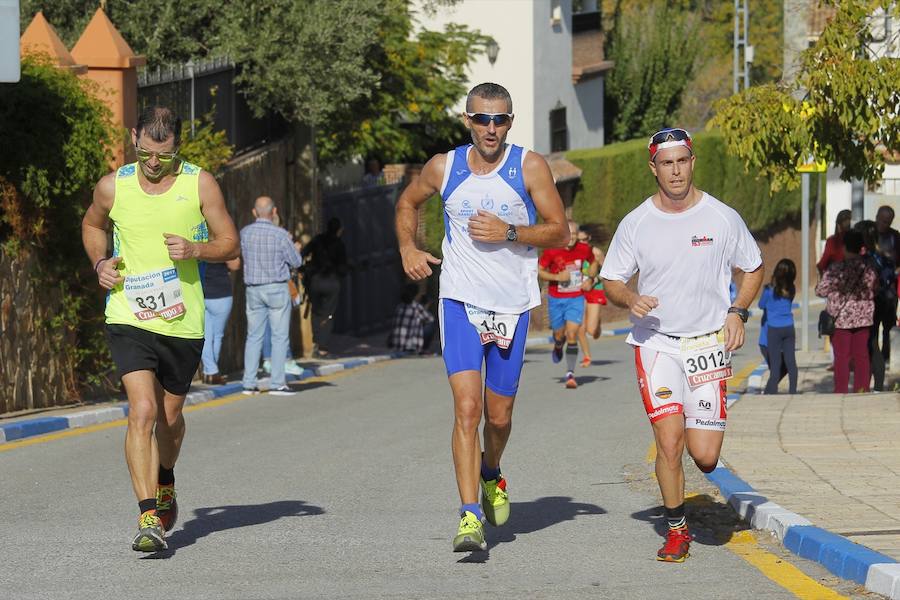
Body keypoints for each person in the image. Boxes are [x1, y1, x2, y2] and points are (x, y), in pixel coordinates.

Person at [394, 82, 568, 552]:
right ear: (467, 121)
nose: (492, 129)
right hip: (459, 301)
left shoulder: (528, 166)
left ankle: (492, 471)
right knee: (466, 410)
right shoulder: (444, 167)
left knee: (500, 415)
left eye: (501, 119)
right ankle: (469, 515)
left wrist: (510, 231)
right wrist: (409, 246)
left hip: (511, 305)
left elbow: (560, 231)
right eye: (483, 119)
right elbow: (408, 202)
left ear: (510, 122)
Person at [600, 127, 763, 563]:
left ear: (693, 161)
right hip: (657, 345)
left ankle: (692, 488)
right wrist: (631, 299)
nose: (675, 170)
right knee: (668, 442)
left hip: (707, 344)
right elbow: (611, 278)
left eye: (682, 160)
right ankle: (676, 529)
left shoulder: (722, 217)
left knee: (705, 457)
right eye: (666, 163)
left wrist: (737, 311)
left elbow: (753, 267)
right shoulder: (637, 222)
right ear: (653, 168)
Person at [81, 106, 240, 552]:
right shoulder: (114, 185)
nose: (153, 164)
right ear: (134, 139)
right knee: (143, 411)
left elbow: (229, 242)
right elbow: (92, 224)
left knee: (169, 419)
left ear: (178, 147)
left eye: (164, 156)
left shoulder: (199, 183)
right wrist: (100, 262)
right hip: (128, 315)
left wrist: (196, 248)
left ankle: (166, 479)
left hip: (182, 321)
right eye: (146, 153)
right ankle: (148, 515)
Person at [240, 196, 303, 395]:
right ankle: (277, 382)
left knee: (253, 336)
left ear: (254, 212)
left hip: (253, 289)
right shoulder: (280, 234)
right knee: (279, 336)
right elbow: (296, 261)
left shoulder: (245, 233)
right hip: (276, 287)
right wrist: (296, 249)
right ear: (274, 212)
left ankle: (249, 383)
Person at [538, 220, 599, 388]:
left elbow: (593, 262)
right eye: (568, 235)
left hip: (576, 297)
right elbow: (540, 271)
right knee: (559, 335)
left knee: (572, 334)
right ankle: (558, 344)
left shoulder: (584, 249)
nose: (571, 239)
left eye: (574, 235)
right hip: (556, 299)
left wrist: (591, 278)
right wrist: (558, 278)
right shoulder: (551, 250)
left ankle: (570, 374)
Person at [815, 230, 878, 393]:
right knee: (862, 356)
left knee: (842, 357)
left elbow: (820, 291)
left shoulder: (837, 268)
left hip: (840, 319)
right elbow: (875, 288)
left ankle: (841, 390)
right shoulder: (869, 268)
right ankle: (862, 389)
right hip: (863, 318)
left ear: (844, 247)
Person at [301, 217, 349, 358]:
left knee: (316, 312)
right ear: (339, 230)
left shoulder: (317, 240)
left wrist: (306, 268)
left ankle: (316, 342)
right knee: (328, 314)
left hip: (315, 281)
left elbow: (303, 254)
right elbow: (343, 266)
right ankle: (323, 348)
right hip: (331, 282)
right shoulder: (339, 244)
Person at [758, 259, 798, 394]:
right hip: (789, 328)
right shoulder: (792, 289)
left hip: (774, 330)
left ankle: (772, 396)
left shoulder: (769, 290)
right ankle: (793, 392)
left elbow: (761, 305)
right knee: (791, 363)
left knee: (775, 368)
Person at [200, 256, 241, 385]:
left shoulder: (196, 240)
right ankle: (212, 372)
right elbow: (235, 265)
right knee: (217, 336)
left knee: (205, 336)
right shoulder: (221, 245)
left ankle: (209, 372)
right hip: (221, 294)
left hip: (200, 293)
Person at [576, 224, 607, 367]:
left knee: (591, 330)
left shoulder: (596, 253)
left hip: (595, 290)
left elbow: (608, 272)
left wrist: (593, 280)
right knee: (579, 327)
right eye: (579, 240)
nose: (582, 243)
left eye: (585, 240)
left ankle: (597, 323)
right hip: (579, 292)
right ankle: (587, 356)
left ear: (590, 238)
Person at [874, 206, 899, 363]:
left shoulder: (895, 236)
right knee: (872, 326)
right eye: (882, 220)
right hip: (871, 290)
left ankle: (886, 355)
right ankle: (873, 355)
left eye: (888, 222)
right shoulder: (869, 233)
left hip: (889, 289)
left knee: (888, 325)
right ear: (877, 217)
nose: (884, 224)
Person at [388, 283, 436, 354]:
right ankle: (424, 348)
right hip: (411, 347)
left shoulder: (399, 307)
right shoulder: (416, 307)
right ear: (416, 295)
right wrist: (426, 306)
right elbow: (430, 319)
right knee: (431, 324)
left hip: (396, 344)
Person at [817, 209, 852, 274]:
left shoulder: (832, 240)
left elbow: (822, 264)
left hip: (837, 279)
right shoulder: (859, 239)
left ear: (838, 225)